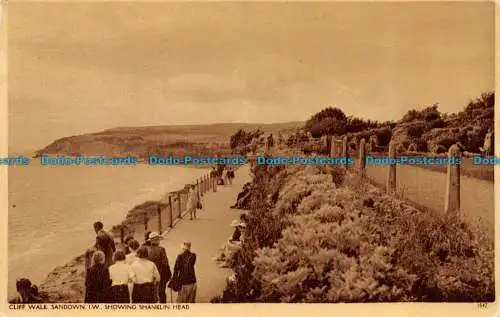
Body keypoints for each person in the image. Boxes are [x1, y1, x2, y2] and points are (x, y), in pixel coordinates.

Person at [146, 232, 172, 303]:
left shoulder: (147, 249)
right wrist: (169, 274)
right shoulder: (161, 249)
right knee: (161, 292)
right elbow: (165, 263)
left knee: (153, 293)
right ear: (157, 240)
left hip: (150, 274)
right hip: (161, 274)